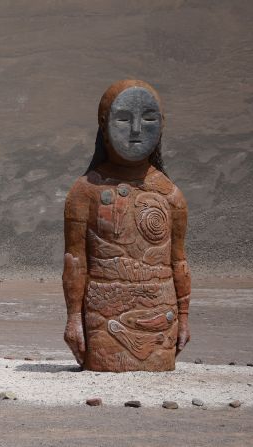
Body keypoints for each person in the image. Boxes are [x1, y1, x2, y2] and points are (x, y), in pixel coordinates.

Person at [63, 80, 191, 372]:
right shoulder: (84, 192)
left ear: (162, 125)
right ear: (104, 125)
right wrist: (73, 319)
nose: (136, 130)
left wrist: (183, 318)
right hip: (104, 321)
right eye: (123, 118)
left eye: (148, 119)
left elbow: (179, 261)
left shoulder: (171, 195)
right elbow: (75, 261)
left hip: (161, 319)